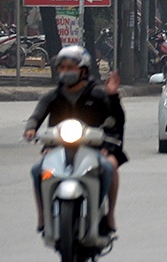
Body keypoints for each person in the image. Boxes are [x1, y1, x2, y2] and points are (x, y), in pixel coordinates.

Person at [22, 46, 126, 235]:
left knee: (109, 168)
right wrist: (31, 128)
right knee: (38, 171)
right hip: (58, 149)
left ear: (83, 70)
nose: (65, 72)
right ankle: (43, 214)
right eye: (62, 68)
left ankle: (109, 214)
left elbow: (117, 120)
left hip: (94, 148)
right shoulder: (53, 96)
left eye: (70, 67)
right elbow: (37, 115)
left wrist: (112, 95)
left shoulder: (98, 94)